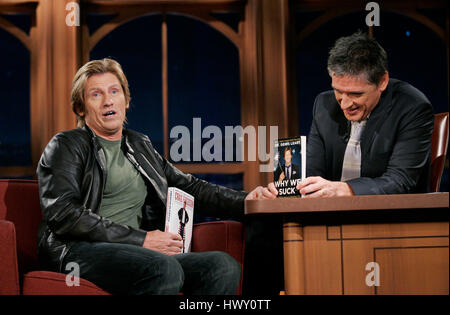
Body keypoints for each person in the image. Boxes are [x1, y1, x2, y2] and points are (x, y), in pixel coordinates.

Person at [36, 58, 277, 295]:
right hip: (78, 251)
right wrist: (141, 239)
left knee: (222, 267)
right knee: (163, 268)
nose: (108, 100)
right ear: (81, 107)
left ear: (126, 100)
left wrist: (246, 201)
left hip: (137, 252)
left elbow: (191, 187)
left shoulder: (139, 145)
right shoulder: (66, 145)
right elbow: (64, 214)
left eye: (114, 91)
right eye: (96, 94)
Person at [296, 31, 434, 197]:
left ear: (382, 81)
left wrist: (346, 189)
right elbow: (312, 174)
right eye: (338, 91)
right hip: (329, 217)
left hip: (390, 216)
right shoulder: (324, 105)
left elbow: (400, 181)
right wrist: (285, 190)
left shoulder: (412, 107)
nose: (345, 104)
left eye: (356, 94)